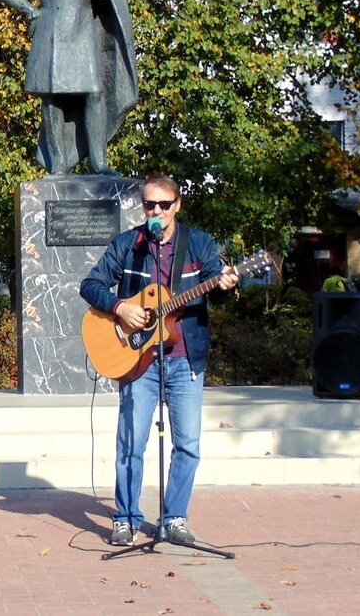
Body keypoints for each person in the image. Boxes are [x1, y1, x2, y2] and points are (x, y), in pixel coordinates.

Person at [79, 175, 238, 546]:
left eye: (164, 205)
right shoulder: (129, 244)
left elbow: (216, 292)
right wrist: (120, 308)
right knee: (130, 444)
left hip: (185, 359)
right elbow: (91, 284)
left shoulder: (199, 244)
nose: (156, 212)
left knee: (187, 444)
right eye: (150, 205)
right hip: (138, 360)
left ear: (177, 206)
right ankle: (126, 519)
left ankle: (175, 517)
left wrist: (227, 286)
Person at [0, 0, 137, 175]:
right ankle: (58, 163)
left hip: (83, 35)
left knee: (95, 93)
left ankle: (99, 162)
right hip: (50, 36)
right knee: (52, 98)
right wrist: (32, 11)